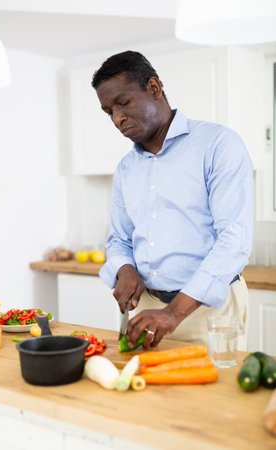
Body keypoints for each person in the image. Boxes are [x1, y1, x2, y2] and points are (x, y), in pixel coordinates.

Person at [91, 50, 253, 349]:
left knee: (214, 395)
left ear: (154, 88)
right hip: (146, 310)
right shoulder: (126, 168)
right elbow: (118, 239)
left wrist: (173, 312)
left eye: (123, 103)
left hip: (209, 310)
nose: (117, 118)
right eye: (108, 111)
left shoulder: (218, 144)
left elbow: (234, 241)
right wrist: (125, 269)